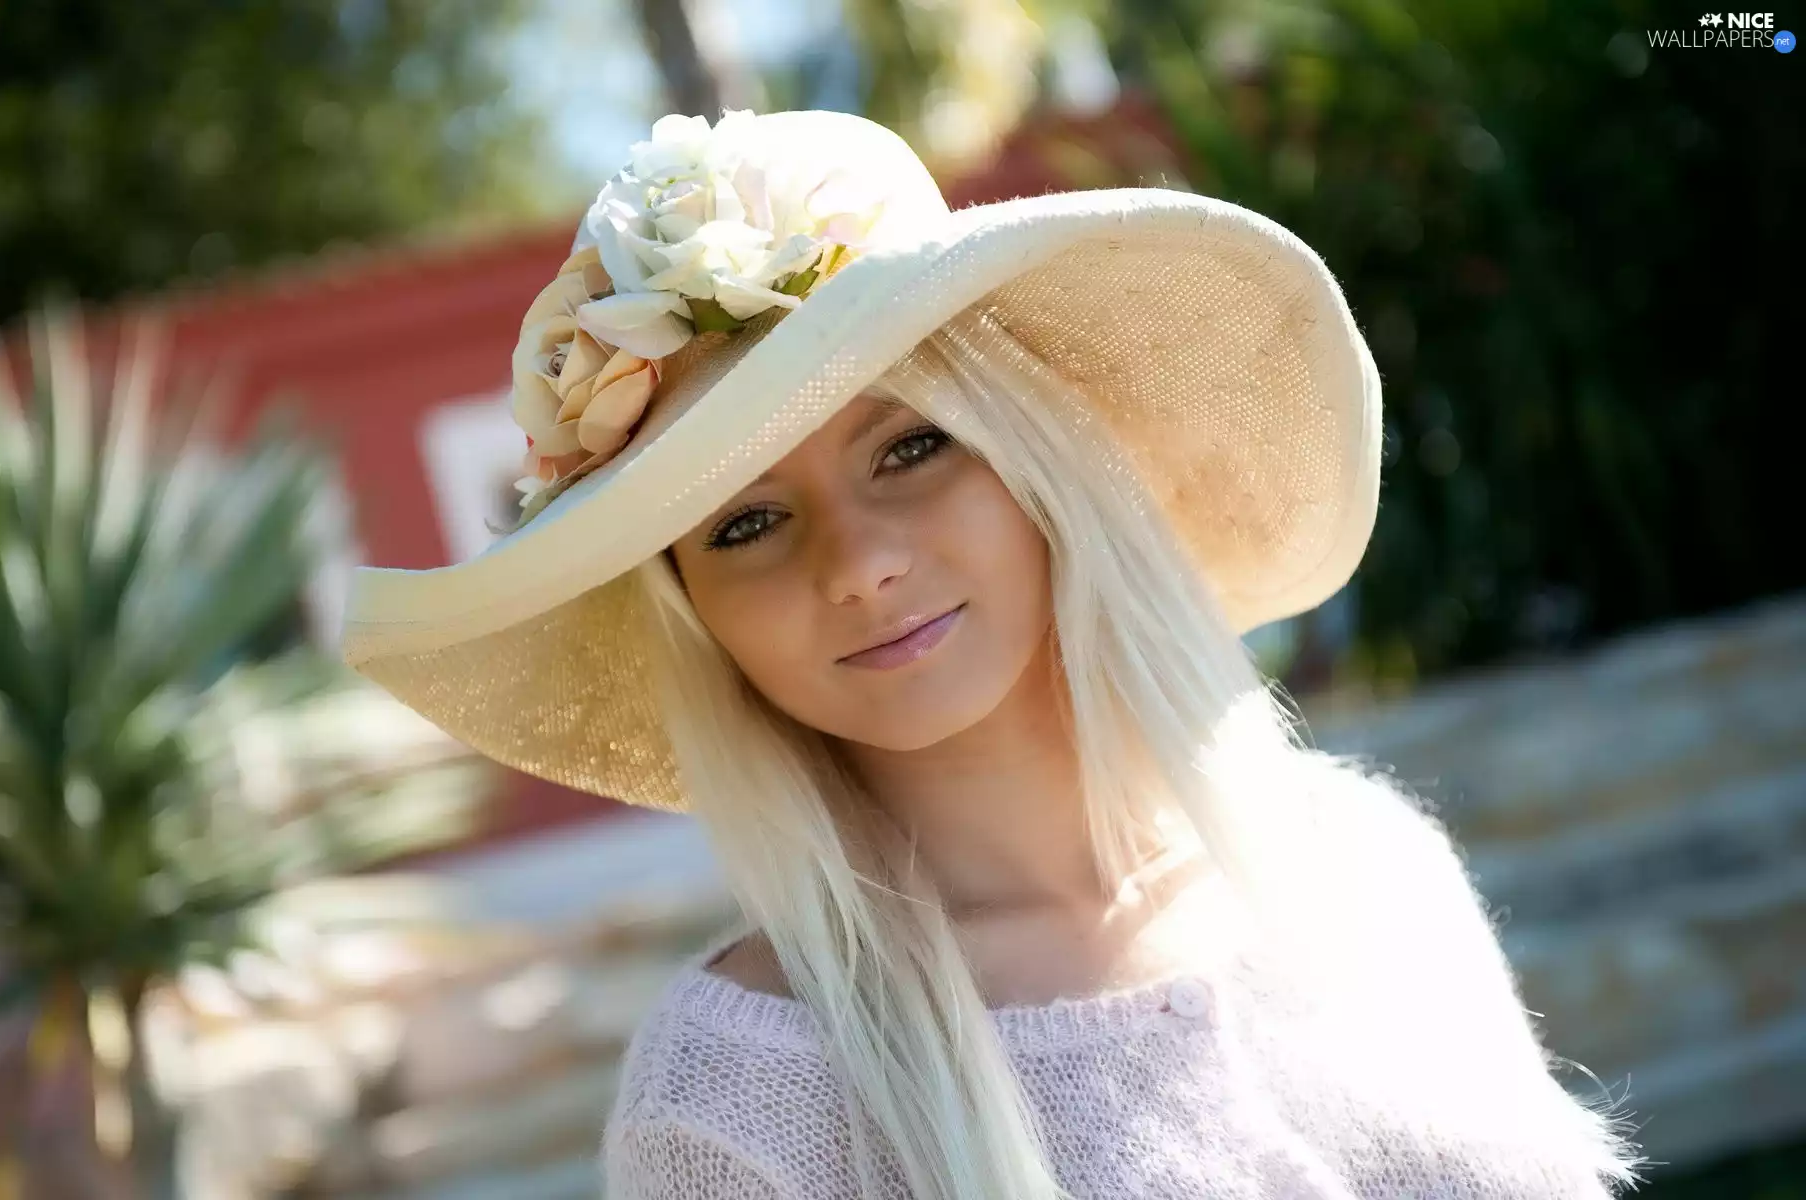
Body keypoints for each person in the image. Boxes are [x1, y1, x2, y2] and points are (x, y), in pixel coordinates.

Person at [340, 108, 1647, 1199]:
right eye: (746, 524)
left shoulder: (1369, 866)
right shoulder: (737, 1105)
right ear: (698, 618)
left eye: (911, 447)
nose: (857, 563)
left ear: (1038, 462)